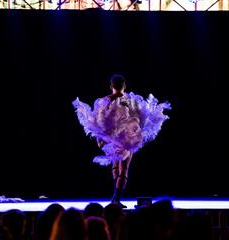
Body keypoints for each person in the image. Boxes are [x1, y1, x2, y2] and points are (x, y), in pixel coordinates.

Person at [72, 74, 171, 208]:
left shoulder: (105, 101)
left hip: (110, 140)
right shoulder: (130, 100)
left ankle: (115, 197)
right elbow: (139, 118)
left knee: (115, 165)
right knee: (123, 169)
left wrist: (99, 138)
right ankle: (116, 198)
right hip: (126, 140)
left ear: (111, 86)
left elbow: (96, 120)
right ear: (124, 85)